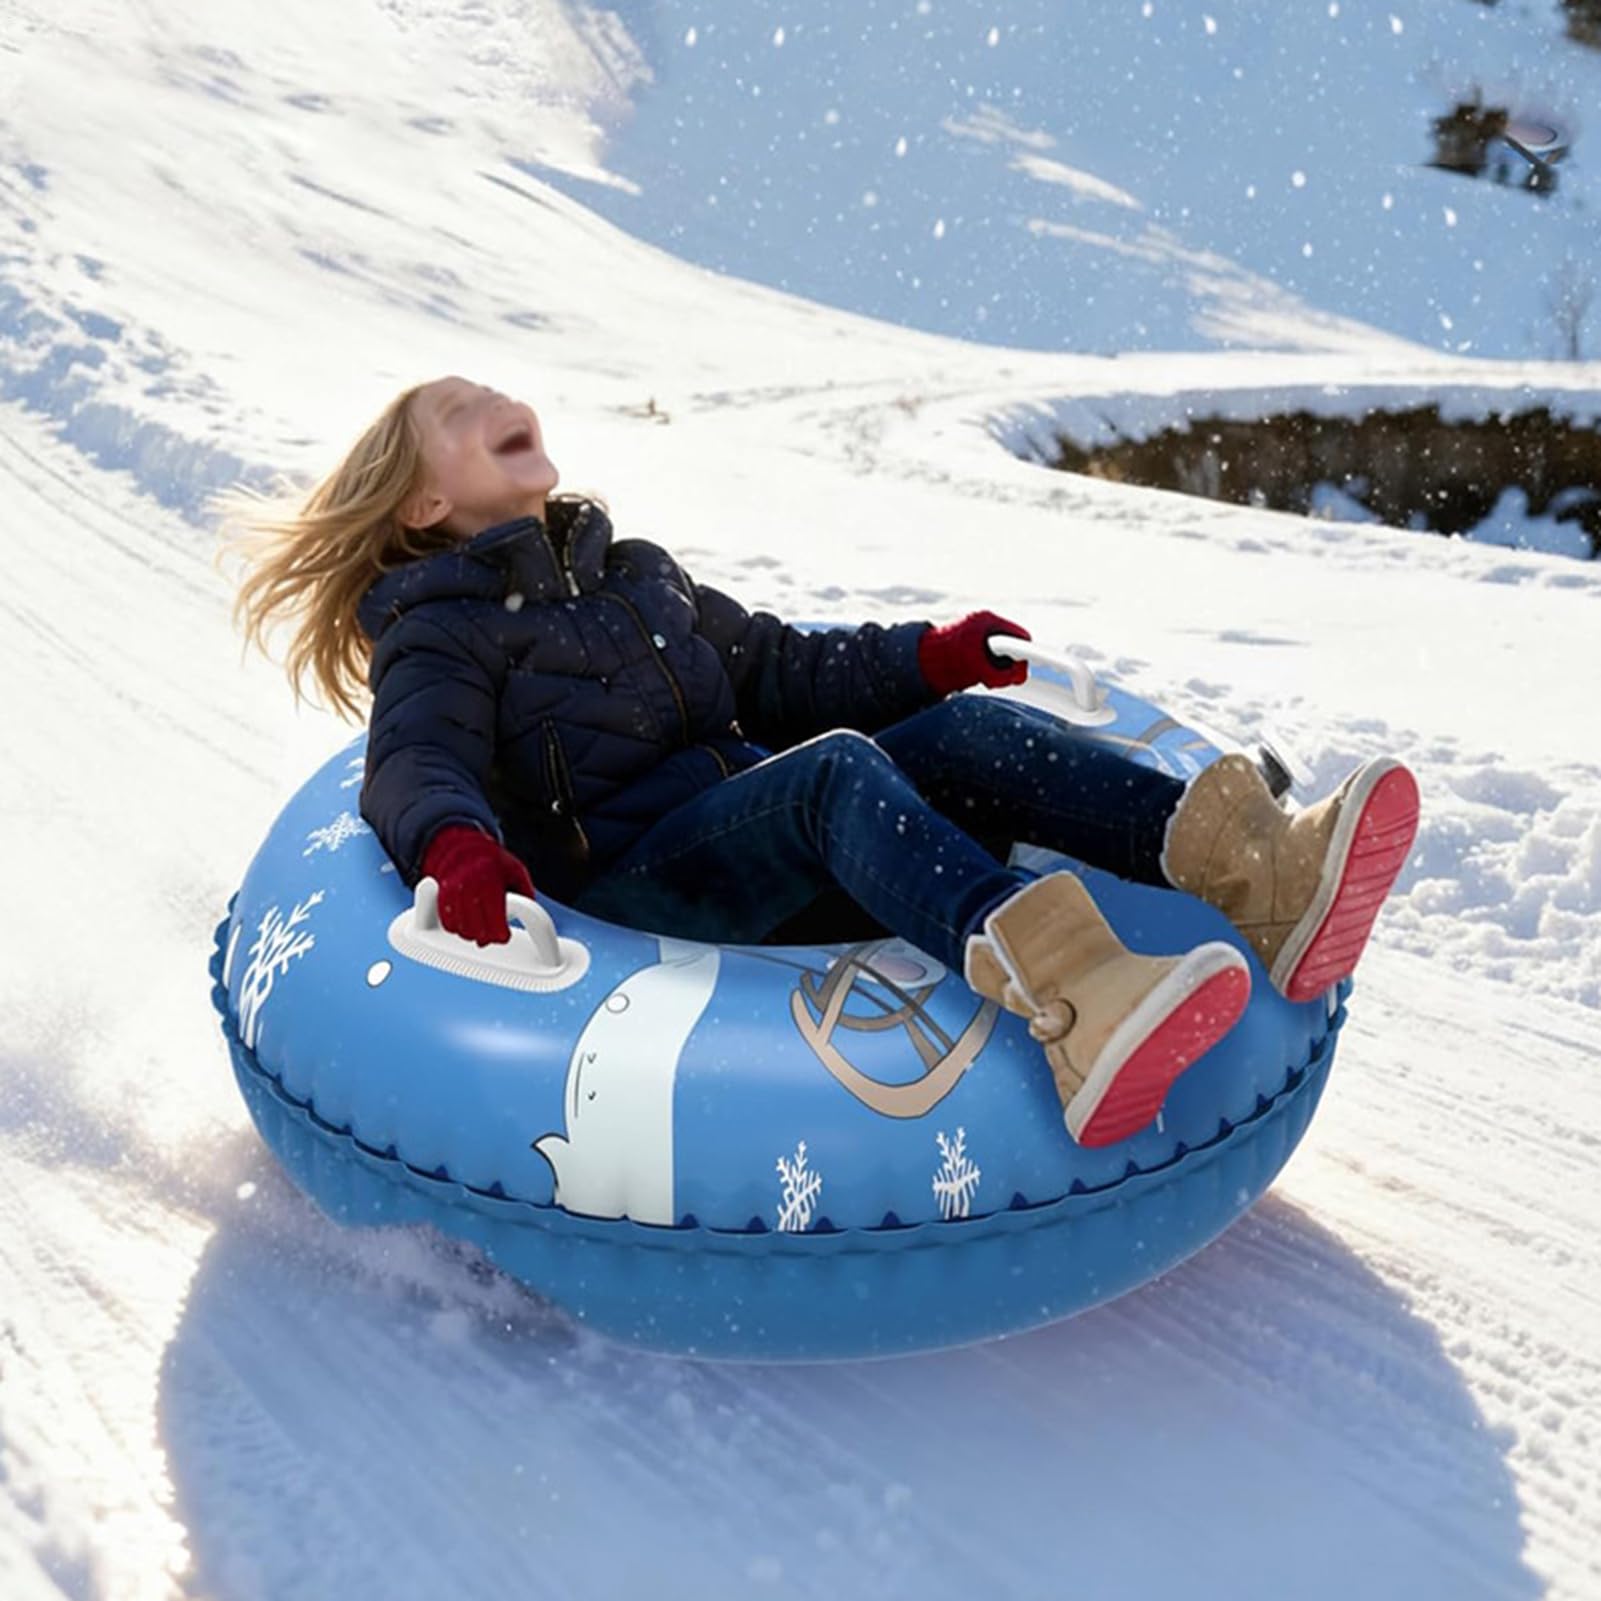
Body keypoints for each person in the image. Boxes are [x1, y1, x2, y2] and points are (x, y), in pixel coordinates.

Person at [222, 376, 1420, 1150]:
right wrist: (459, 849)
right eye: (456, 409)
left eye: (491, 387)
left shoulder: (632, 571)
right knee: (833, 775)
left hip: (754, 835)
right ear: (422, 502)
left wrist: (926, 658)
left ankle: (1257, 870)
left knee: (954, 738)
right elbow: (412, 761)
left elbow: (775, 667)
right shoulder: (440, 628)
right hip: (642, 893)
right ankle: (1076, 1004)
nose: (493, 398)